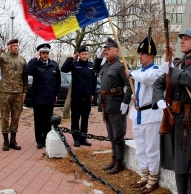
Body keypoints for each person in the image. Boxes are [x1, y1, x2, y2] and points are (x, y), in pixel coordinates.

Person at [152, 28, 191, 194]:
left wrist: (171, 71)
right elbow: (158, 84)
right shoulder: (178, 63)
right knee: (179, 163)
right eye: (182, 39)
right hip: (174, 118)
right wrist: (159, 101)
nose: (182, 41)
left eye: (187, 39)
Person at [124, 36, 164, 193]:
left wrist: (131, 73)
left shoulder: (157, 71)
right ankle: (144, 174)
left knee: (151, 148)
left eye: (143, 54)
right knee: (140, 147)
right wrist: (135, 97)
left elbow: (146, 79)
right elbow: (139, 81)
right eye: (139, 53)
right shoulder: (138, 71)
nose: (140, 56)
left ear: (151, 56)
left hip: (151, 114)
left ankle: (153, 178)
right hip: (138, 113)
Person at [93, 37, 132, 174]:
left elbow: (130, 85)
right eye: (105, 49)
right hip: (106, 103)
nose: (106, 51)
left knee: (118, 135)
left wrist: (126, 102)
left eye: (108, 49)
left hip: (117, 103)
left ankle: (120, 162)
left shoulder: (121, 66)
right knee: (111, 134)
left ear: (116, 51)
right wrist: (98, 57)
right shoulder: (106, 64)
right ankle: (114, 159)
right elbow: (95, 69)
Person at [0, 39, 28, 151]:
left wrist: (24, 91)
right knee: (5, 117)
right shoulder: (3, 58)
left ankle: (13, 141)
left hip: (18, 93)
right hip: (5, 92)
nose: (16, 47)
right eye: (13, 46)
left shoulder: (22, 60)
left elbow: (25, 77)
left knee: (16, 117)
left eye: (17, 45)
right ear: (9, 47)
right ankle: (5, 141)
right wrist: (1, 50)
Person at [25, 43, 61, 149]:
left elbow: (58, 81)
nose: (45, 55)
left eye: (47, 53)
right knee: (38, 120)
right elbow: (27, 71)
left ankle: (46, 138)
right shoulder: (35, 64)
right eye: (43, 53)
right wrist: (34, 58)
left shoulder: (54, 65)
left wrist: (57, 94)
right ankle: (39, 141)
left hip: (50, 97)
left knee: (48, 120)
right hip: (38, 98)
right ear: (39, 54)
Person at [61, 45, 97, 147]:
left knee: (85, 119)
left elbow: (94, 81)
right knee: (75, 119)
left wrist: (93, 93)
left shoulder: (91, 66)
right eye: (82, 54)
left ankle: (83, 138)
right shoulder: (74, 65)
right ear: (79, 55)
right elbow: (64, 68)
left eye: (86, 54)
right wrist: (72, 58)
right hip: (76, 98)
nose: (84, 56)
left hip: (87, 98)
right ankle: (76, 139)